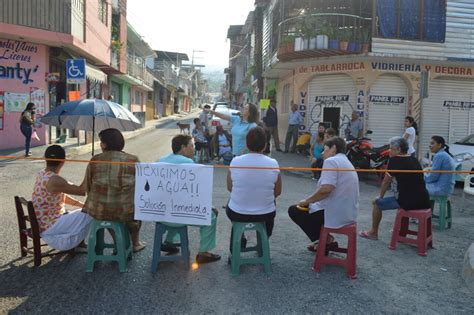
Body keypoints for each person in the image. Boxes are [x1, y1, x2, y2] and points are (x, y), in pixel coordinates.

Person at [289, 137, 359, 252]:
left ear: (334, 148)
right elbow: (325, 189)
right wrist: (310, 201)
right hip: (347, 213)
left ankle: (324, 240)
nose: (322, 153)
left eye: (325, 149)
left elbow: (326, 189)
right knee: (305, 207)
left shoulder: (331, 161)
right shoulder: (346, 162)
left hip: (335, 213)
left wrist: (307, 201)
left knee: (294, 210)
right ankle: (324, 240)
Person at [80, 128, 145, 252]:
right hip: (126, 211)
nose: (100, 144)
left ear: (104, 144)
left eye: (101, 142)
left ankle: (118, 243)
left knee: (107, 211)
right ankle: (135, 243)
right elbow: (141, 187)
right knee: (134, 212)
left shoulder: (95, 160)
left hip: (99, 210)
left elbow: (87, 186)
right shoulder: (133, 160)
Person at [160, 134, 221, 264]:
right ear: (183, 147)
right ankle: (203, 252)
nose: (194, 148)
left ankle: (170, 240)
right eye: (192, 145)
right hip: (177, 214)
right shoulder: (188, 163)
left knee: (173, 203)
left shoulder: (161, 159)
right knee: (211, 215)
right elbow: (195, 194)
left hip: (161, 213)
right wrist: (209, 207)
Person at [360, 137, 431, 240]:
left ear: (398, 150)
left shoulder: (395, 160)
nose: (389, 150)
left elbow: (386, 181)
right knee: (401, 195)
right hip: (424, 200)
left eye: (391, 148)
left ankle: (373, 233)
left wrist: (380, 196)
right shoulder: (414, 159)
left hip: (408, 202)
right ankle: (400, 230)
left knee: (377, 204)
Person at [227, 127, 282, 247]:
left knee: (231, 204)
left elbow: (230, 187)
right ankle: (264, 240)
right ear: (264, 145)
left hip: (237, 212)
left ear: (247, 144)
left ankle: (238, 242)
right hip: (265, 213)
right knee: (271, 205)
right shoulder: (273, 163)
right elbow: (277, 191)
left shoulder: (235, 161)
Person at [31, 145, 92, 252]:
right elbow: (81, 191)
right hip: (51, 225)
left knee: (82, 211)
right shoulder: (55, 180)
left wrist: (80, 205)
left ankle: (78, 242)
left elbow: (59, 195)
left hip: (44, 222)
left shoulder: (42, 173)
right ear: (63, 161)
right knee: (92, 212)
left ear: (46, 159)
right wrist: (90, 170)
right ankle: (77, 242)